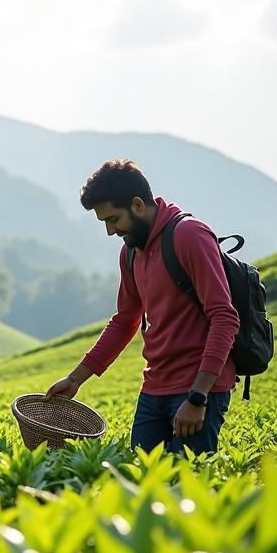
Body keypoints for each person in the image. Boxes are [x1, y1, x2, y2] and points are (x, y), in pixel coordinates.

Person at [46, 159, 240, 454]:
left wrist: (198, 397)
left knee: (188, 487)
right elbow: (125, 322)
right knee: (140, 482)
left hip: (197, 389)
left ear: (137, 205)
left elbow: (224, 317)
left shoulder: (189, 235)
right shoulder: (131, 253)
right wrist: (75, 380)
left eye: (113, 219)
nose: (111, 231)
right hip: (154, 388)